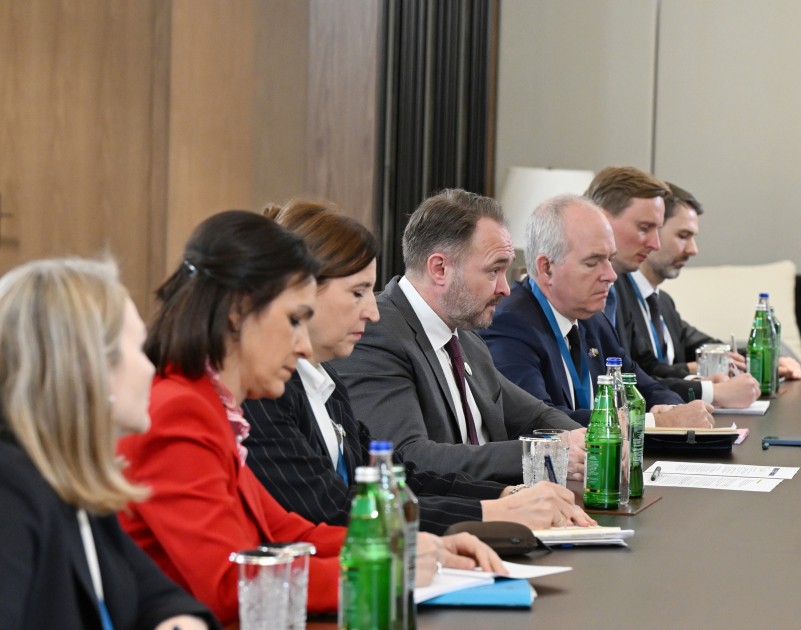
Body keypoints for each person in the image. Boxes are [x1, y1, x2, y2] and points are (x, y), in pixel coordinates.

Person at [117, 210, 504, 625]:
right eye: (293, 321)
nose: (303, 346)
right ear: (238, 312)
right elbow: (231, 585)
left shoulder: (206, 407)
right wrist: (387, 568)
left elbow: (289, 532)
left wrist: (406, 547)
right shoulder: (179, 411)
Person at [242, 199, 593, 532]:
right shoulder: (266, 393)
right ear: (301, 295)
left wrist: (508, 495)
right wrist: (494, 510)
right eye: (358, 292)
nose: (372, 311)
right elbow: (335, 508)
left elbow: (400, 476)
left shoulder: (461, 339)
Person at [0, 258, 218, 630]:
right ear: (90, 369)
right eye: (140, 349)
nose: (151, 367)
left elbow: (162, 600)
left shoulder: (72, 479)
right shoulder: (10, 487)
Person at [332, 189, 586, 484]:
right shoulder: (375, 335)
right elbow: (407, 457)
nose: (505, 288)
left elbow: (535, 415)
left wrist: (586, 441)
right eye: (494, 271)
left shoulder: (464, 336)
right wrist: (540, 454)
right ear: (439, 268)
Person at [481, 194, 714, 428]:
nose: (611, 275)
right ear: (547, 268)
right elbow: (539, 424)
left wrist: (670, 408)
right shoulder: (509, 325)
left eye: (610, 259)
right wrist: (656, 422)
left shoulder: (593, 320)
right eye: (593, 262)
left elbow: (645, 386)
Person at [614, 179, 801, 396]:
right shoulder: (615, 295)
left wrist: (761, 358)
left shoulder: (662, 302)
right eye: (683, 236)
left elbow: (706, 346)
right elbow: (639, 373)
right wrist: (701, 375)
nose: (693, 250)